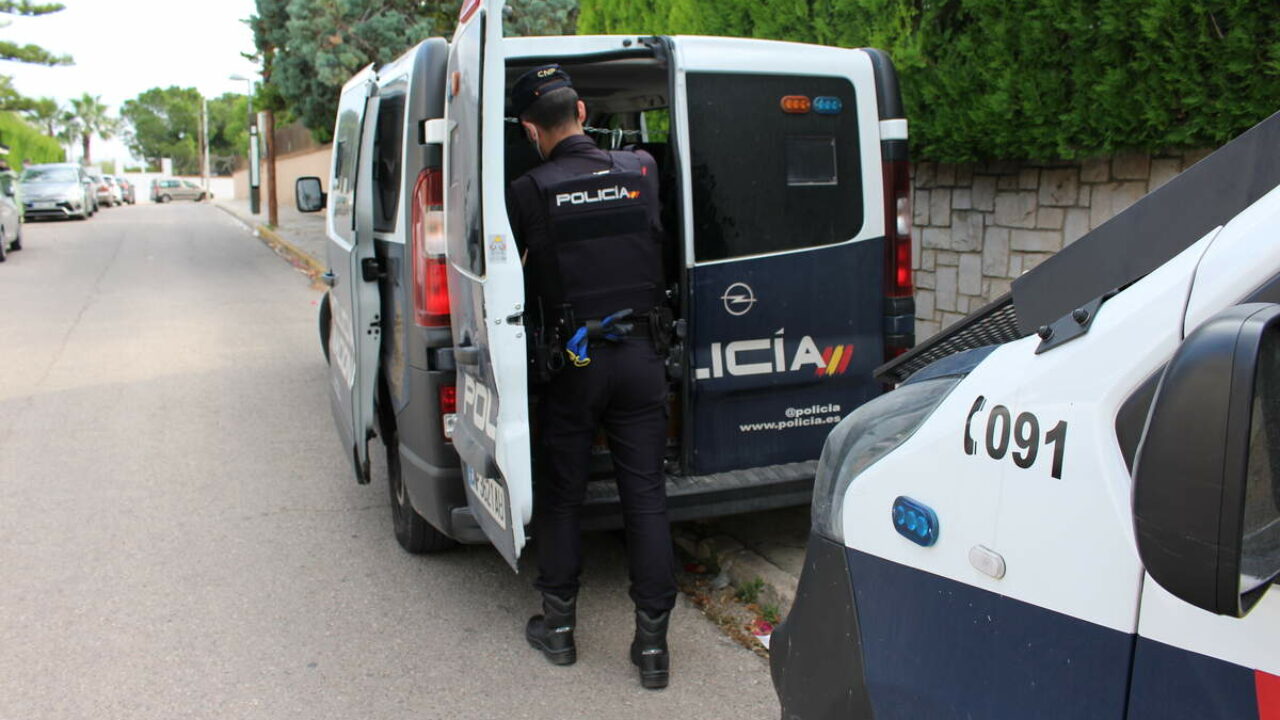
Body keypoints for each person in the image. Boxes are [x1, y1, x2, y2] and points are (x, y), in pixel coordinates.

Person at [505, 64, 677, 690]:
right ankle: (653, 649)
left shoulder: (528, 191)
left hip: (575, 359)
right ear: (581, 111)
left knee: (562, 496)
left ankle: (559, 631)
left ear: (530, 130)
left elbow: (515, 274)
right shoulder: (642, 170)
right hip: (641, 355)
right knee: (646, 498)